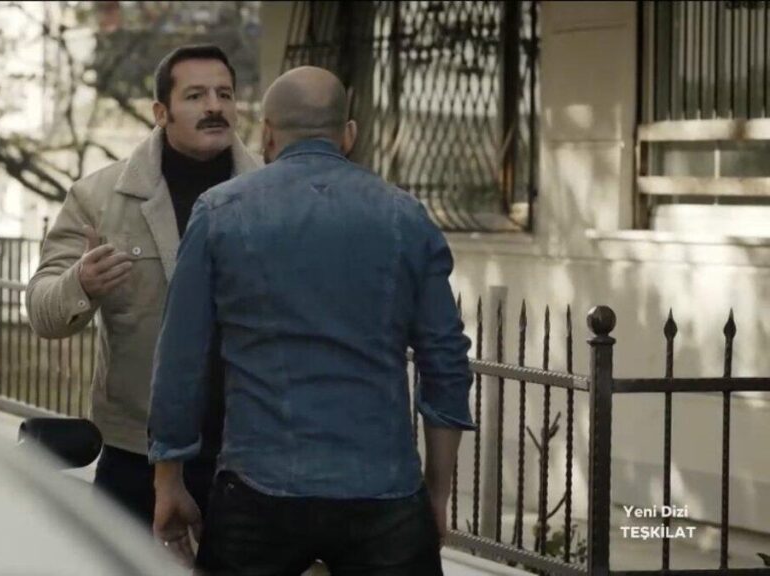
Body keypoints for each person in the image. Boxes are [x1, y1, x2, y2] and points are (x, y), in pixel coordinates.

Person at [148, 66, 476, 575]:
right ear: (349, 134)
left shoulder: (219, 213)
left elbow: (180, 358)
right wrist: (436, 491)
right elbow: (447, 362)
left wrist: (168, 480)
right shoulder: (405, 217)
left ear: (267, 134)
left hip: (257, 486)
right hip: (384, 489)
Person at [25, 44, 260, 527]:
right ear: (161, 112)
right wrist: (80, 282)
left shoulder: (270, 194)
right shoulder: (99, 197)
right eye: (195, 95)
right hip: (137, 449)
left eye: (224, 94)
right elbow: (43, 312)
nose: (214, 106)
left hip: (250, 448)